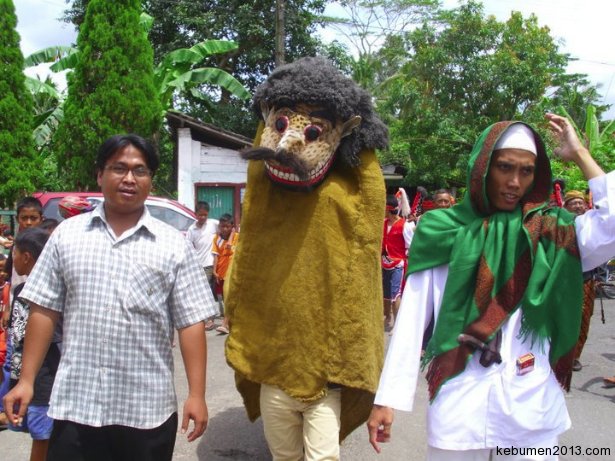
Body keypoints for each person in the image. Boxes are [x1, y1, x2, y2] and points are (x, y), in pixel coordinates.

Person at [367, 113, 615, 460]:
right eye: (504, 167)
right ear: (483, 167)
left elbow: (613, 221)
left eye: (526, 171)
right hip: (460, 399)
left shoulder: (551, 232)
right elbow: (412, 318)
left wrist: (580, 155)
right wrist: (387, 398)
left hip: (530, 404)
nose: (514, 181)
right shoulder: (442, 230)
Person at [3, 134, 217, 461]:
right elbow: (44, 310)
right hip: (76, 406)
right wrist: (27, 380)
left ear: (150, 180)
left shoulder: (174, 245)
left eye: (140, 170)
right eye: (119, 168)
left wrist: (197, 394)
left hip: (147, 411)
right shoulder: (67, 236)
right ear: (100, 175)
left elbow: (190, 324)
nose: (129, 178)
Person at [226, 57, 388, 460]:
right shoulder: (267, 201)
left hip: (325, 377)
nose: (289, 143)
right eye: (280, 125)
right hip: (276, 369)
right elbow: (250, 246)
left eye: (312, 130)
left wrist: (362, 138)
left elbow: (368, 220)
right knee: (285, 457)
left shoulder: (342, 196)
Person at [6, 227, 58, 461]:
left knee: (43, 439)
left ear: (26, 256)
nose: (11, 259)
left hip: (44, 378)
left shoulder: (38, 294)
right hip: (33, 377)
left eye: (13, 253)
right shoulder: (21, 290)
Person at [563, 190, 592, 372]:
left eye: (580, 202)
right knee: (562, 317)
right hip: (563, 279)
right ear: (566, 206)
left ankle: (574, 357)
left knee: (583, 319)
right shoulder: (560, 222)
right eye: (573, 202)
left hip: (587, 278)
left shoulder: (592, 223)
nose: (578, 205)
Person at [382, 195, 415, 332]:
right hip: (384, 262)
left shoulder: (404, 225)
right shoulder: (383, 223)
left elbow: (411, 246)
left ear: (388, 209)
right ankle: (387, 317)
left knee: (396, 294)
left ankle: (397, 324)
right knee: (386, 294)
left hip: (398, 264)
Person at [185, 201, 219, 330]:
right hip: (198, 265)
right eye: (200, 215)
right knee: (201, 292)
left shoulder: (213, 224)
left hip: (211, 263)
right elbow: (187, 247)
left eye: (205, 215)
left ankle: (210, 319)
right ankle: (205, 317)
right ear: (195, 214)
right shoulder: (191, 229)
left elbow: (227, 229)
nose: (202, 217)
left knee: (208, 291)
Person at [212, 214, 238, 335]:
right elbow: (216, 255)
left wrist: (232, 235)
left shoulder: (237, 237)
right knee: (222, 298)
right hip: (221, 272)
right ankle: (228, 323)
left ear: (232, 226)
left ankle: (224, 324)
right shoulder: (216, 238)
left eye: (228, 227)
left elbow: (232, 249)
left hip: (232, 272)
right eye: (223, 226)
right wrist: (214, 270)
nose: (225, 229)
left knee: (230, 297)